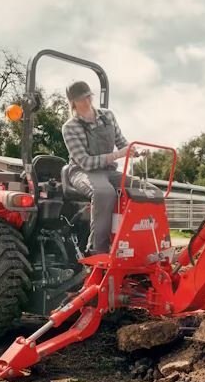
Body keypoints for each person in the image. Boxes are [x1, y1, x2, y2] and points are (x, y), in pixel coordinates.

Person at [61, 80, 154, 255]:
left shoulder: (108, 116)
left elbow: (122, 143)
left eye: (88, 96)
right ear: (73, 102)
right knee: (104, 193)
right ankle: (97, 251)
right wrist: (118, 155)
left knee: (149, 192)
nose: (87, 101)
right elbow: (86, 162)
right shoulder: (70, 127)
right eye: (82, 99)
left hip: (109, 171)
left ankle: (143, 247)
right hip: (82, 172)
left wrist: (138, 151)